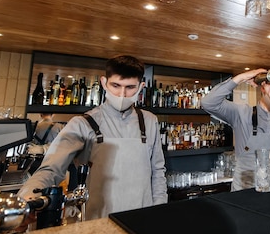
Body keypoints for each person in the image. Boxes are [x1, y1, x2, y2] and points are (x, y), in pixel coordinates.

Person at [19, 55, 167, 220]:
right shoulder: (83, 123)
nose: (122, 94)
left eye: (130, 87)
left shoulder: (149, 121)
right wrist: (27, 198)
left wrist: (159, 210)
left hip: (143, 218)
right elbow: (52, 168)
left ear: (141, 87)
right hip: (99, 220)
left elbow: (157, 171)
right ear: (104, 83)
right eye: (116, 86)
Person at [201, 68, 270, 191]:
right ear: (263, 88)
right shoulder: (242, 113)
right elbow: (208, 103)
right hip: (245, 193)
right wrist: (240, 78)